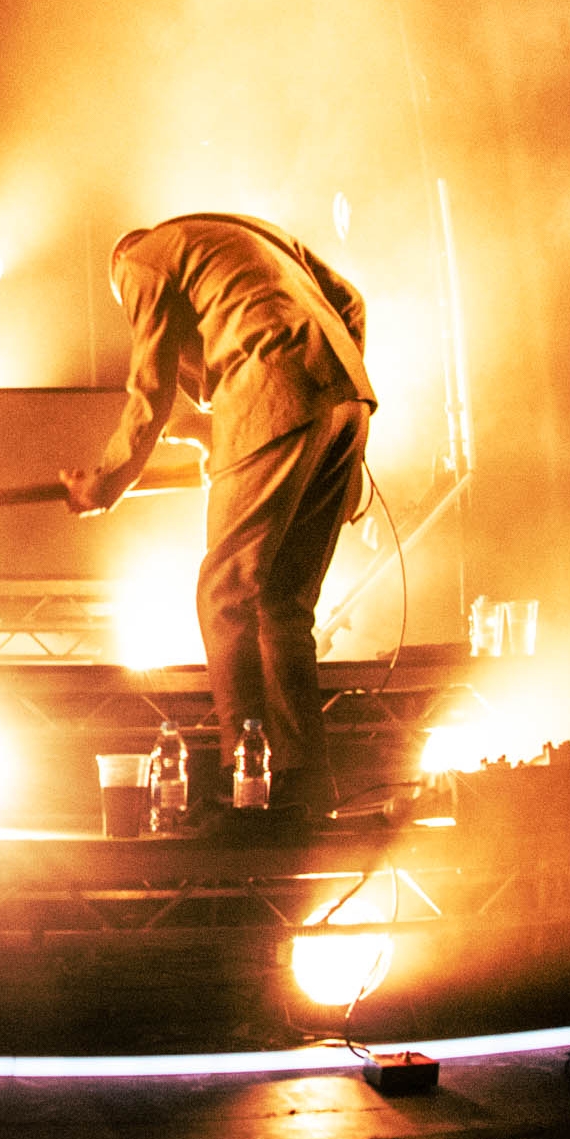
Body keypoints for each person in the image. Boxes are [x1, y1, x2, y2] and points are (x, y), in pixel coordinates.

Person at [63, 213, 374, 824]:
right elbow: (351, 303)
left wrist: (108, 480)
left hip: (272, 394)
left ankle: (246, 787)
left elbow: (150, 384)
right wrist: (325, 389)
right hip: (346, 401)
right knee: (283, 607)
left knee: (223, 594)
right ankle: (303, 790)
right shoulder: (249, 236)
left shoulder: (137, 262)